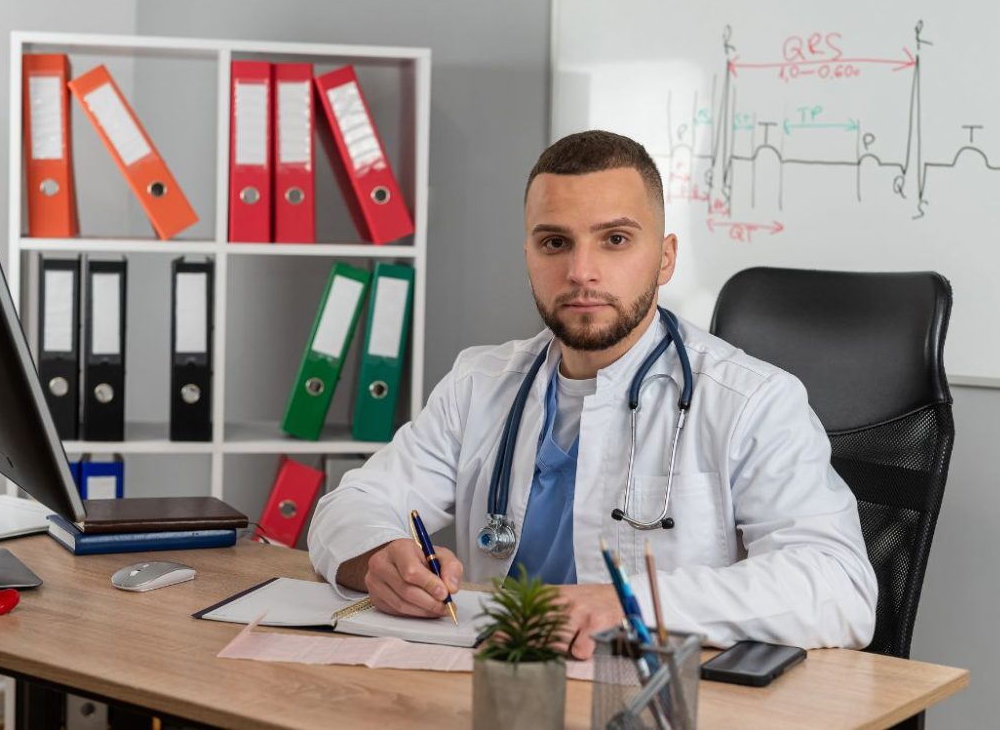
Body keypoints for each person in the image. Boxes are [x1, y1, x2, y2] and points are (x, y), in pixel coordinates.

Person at [308, 130, 877, 658]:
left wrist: (630, 604)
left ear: (667, 257)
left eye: (615, 240)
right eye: (555, 242)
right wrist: (377, 556)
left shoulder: (752, 401)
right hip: (499, 682)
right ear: (529, 256)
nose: (582, 271)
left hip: (653, 696)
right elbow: (350, 506)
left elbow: (838, 585)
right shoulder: (479, 384)